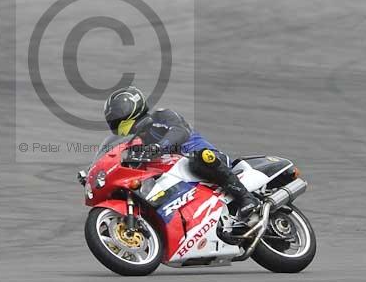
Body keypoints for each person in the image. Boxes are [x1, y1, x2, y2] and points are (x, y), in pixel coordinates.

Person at [103, 86, 260, 219]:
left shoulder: (161, 116)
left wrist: (159, 147)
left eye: (116, 120)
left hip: (205, 159)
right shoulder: (134, 144)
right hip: (179, 177)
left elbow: (180, 131)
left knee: (199, 159)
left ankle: (246, 199)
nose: (116, 126)